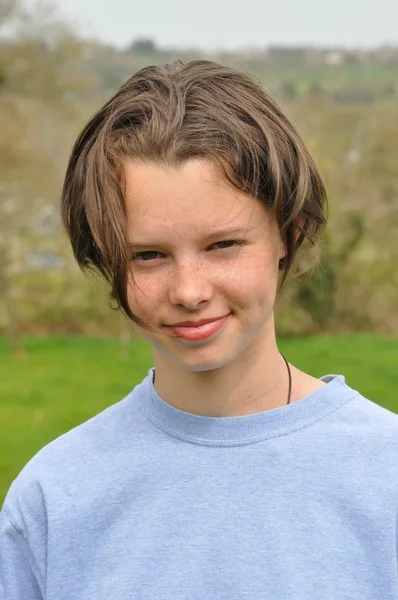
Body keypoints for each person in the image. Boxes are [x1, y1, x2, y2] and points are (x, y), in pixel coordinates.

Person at [1, 59, 397, 600]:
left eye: (223, 245)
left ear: (289, 231)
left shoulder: (386, 476)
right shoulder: (54, 499)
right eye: (147, 255)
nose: (189, 291)